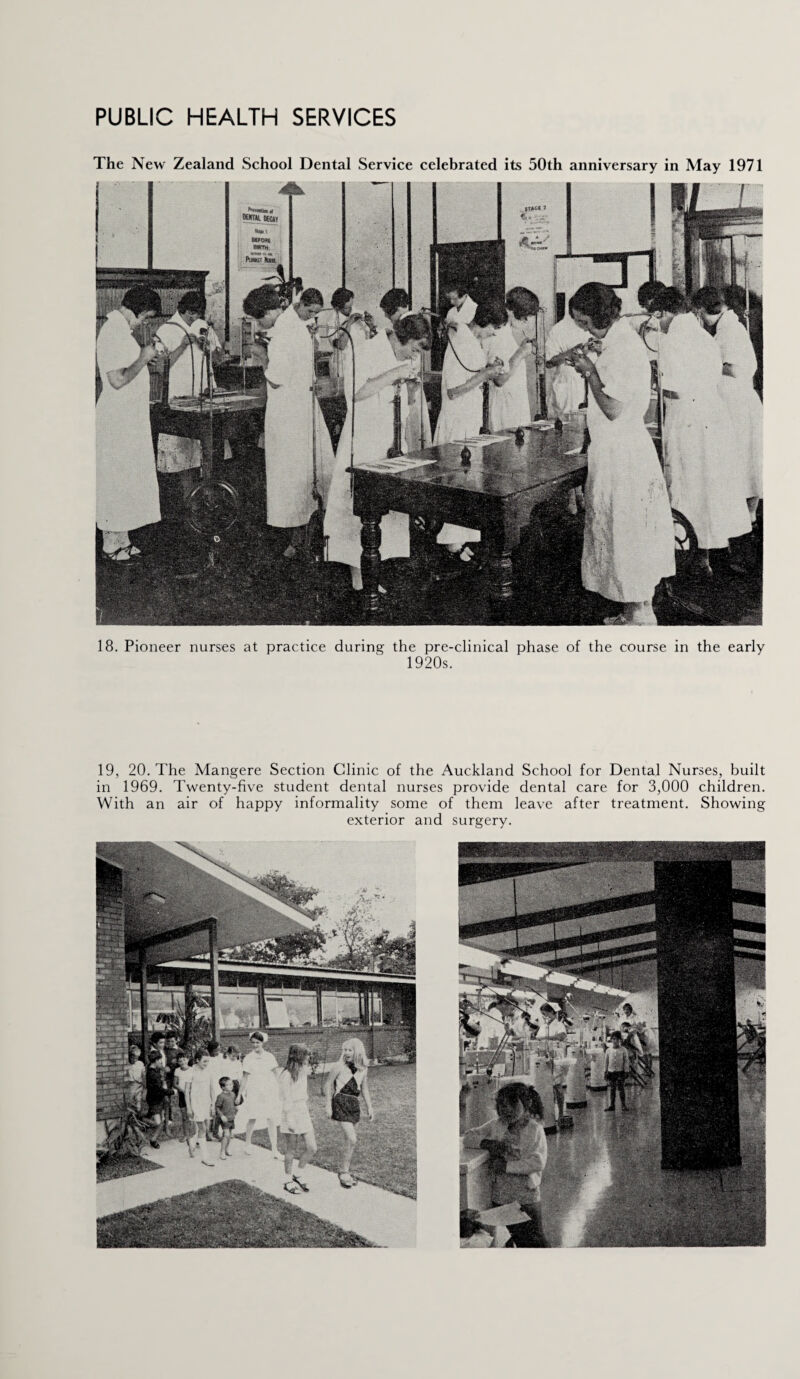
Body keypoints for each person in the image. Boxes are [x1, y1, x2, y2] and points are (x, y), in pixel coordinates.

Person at [568, 281, 675, 625]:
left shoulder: (622, 348)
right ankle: (635, 611)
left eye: (583, 322)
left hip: (621, 453)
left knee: (626, 532)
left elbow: (612, 407)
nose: (582, 328)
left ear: (595, 317)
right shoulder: (621, 341)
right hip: (625, 448)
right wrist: (598, 359)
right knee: (629, 532)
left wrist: (589, 372)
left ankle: (640, 617)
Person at [324, 313, 431, 591]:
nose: (414, 354)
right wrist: (395, 373)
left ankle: (379, 567)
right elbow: (355, 393)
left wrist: (410, 386)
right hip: (364, 438)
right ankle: (358, 576)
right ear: (401, 337)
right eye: (415, 347)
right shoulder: (366, 350)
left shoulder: (406, 356)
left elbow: (405, 401)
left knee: (391, 506)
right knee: (358, 507)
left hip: (391, 437)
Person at [653, 285, 750, 576]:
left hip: (689, 420)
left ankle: (690, 556)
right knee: (711, 486)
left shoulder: (671, 341)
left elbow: (672, 392)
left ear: (663, 312)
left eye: (656, 317)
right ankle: (711, 553)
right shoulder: (703, 336)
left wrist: (656, 382)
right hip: (713, 416)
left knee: (687, 485)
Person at [263, 287, 334, 558]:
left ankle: (305, 538)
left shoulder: (295, 327)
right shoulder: (285, 330)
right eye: (310, 311)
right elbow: (278, 376)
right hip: (291, 411)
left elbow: (283, 374)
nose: (312, 317)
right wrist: (262, 357)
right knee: (297, 475)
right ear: (299, 304)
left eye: (316, 313)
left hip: (299, 409)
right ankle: (299, 538)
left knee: (305, 474)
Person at [433, 300, 507, 554]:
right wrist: (486, 374)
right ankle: (452, 544)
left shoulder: (470, 341)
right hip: (457, 421)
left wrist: (487, 368)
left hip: (468, 419)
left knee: (468, 481)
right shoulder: (461, 342)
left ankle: (460, 541)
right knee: (458, 482)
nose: (494, 333)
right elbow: (454, 391)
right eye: (494, 328)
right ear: (484, 322)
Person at [96, 283, 163, 562]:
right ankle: (110, 544)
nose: (144, 323)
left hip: (128, 421)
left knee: (125, 480)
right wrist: (144, 357)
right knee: (115, 480)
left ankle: (122, 539)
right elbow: (117, 379)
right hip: (116, 422)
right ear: (138, 310)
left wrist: (145, 361)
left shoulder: (122, 331)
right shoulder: (112, 332)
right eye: (146, 317)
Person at [693, 284, 763, 524]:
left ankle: (748, 517)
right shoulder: (727, 328)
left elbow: (734, 368)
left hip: (738, 403)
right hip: (735, 402)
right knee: (745, 460)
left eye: (699, 313)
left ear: (702, 310)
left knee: (745, 460)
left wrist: (706, 364)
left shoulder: (731, 330)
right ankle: (746, 516)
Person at [154, 290, 229, 501]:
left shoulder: (202, 326)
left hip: (204, 394)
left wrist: (208, 349)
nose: (195, 319)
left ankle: (208, 496)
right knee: (183, 454)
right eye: (192, 315)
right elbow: (160, 367)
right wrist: (182, 345)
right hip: (179, 398)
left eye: (198, 315)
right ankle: (190, 500)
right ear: (184, 311)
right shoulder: (166, 329)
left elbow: (218, 357)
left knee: (207, 450)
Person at [462, 1082, 549, 1247]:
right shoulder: (497, 1124)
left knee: (535, 1242)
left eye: (512, 1104)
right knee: (514, 1237)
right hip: (501, 1197)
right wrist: (487, 1143)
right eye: (501, 1105)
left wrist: (505, 1166)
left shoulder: (534, 1129)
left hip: (525, 1199)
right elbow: (468, 1137)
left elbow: (537, 1162)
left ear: (527, 1103)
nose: (506, 1109)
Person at [485, 286, 540, 432]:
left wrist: (521, 349)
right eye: (525, 317)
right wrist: (521, 353)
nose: (527, 322)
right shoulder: (498, 333)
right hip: (505, 406)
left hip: (515, 403)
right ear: (512, 310)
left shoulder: (507, 332)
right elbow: (499, 379)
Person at [325, 1038, 374, 1188]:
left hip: (354, 1103)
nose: (346, 1053)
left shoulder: (363, 1068)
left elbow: (364, 1088)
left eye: (349, 1050)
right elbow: (328, 1084)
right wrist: (328, 1105)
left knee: (349, 1141)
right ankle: (344, 1172)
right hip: (340, 1102)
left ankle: (344, 1170)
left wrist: (369, 1107)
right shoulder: (339, 1066)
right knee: (352, 1139)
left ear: (357, 1051)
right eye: (344, 1050)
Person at [278, 1044, 317, 1194]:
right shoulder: (286, 1075)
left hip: (302, 1111)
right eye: (306, 1055)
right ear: (298, 1056)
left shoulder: (303, 1071)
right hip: (290, 1112)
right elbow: (286, 1098)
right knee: (291, 1149)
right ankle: (287, 1179)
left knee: (312, 1147)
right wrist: (290, 1119)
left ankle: (298, 1173)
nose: (308, 1058)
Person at [236, 1030, 281, 1158]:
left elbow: (276, 1073)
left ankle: (274, 1149)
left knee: (271, 1118)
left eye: (258, 1042)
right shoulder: (248, 1058)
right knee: (252, 1117)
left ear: (262, 1042)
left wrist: (281, 1089)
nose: (255, 1045)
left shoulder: (269, 1057)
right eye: (253, 1043)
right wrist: (239, 1094)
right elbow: (244, 1077)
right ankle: (247, 1144)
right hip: (254, 1090)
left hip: (268, 1090)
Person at [187, 1049, 215, 1166]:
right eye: (204, 1062)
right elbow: (187, 1092)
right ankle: (205, 1157)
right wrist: (189, 1107)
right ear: (197, 1060)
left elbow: (212, 1088)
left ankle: (192, 1142)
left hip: (206, 1102)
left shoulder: (209, 1071)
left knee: (205, 1128)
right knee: (202, 1129)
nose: (206, 1064)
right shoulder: (191, 1071)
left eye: (207, 1062)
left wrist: (213, 1104)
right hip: (196, 1103)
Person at [172, 1050, 195, 1154]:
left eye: (184, 1060)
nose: (182, 1062)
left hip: (192, 1094)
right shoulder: (177, 1070)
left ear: (188, 1060)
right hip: (182, 1094)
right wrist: (182, 1090)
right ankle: (186, 1134)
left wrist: (189, 1091)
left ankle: (195, 1136)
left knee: (193, 1115)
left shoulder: (192, 1070)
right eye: (180, 1061)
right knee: (184, 1116)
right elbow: (174, 1083)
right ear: (178, 1062)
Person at [145, 1049, 168, 1149]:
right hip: (154, 1100)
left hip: (158, 1099)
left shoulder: (155, 1071)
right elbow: (159, 1089)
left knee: (161, 1122)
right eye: (160, 1060)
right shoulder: (152, 1074)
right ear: (156, 1061)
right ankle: (140, 1119)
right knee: (158, 1123)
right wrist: (171, 1091)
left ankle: (153, 1139)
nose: (161, 1063)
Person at [604, 1031, 629, 1111]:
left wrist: (626, 1071)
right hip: (611, 1072)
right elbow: (606, 1062)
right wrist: (605, 1071)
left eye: (617, 1039)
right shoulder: (608, 1050)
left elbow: (626, 1061)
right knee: (612, 1089)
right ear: (611, 1040)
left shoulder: (623, 1050)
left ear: (620, 1040)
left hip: (620, 1072)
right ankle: (612, 1105)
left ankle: (623, 1105)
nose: (615, 1041)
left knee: (621, 1088)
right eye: (614, 1039)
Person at [213, 1076, 237, 1159]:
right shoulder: (221, 1096)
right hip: (225, 1119)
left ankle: (227, 1149)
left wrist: (235, 1109)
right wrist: (222, 1116)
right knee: (226, 1135)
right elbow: (217, 1107)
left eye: (231, 1084)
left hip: (231, 1118)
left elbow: (232, 1104)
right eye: (228, 1085)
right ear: (223, 1087)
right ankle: (222, 1152)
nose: (231, 1086)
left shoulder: (233, 1094)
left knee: (229, 1135)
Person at [124, 1044, 145, 1114]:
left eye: (137, 1058)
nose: (135, 1060)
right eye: (133, 1058)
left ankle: (138, 1117)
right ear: (130, 1056)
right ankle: (131, 1118)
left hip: (139, 1085)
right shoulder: (127, 1065)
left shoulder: (140, 1064)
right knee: (130, 1102)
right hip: (131, 1085)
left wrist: (143, 1084)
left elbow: (143, 1074)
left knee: (138, 1102)